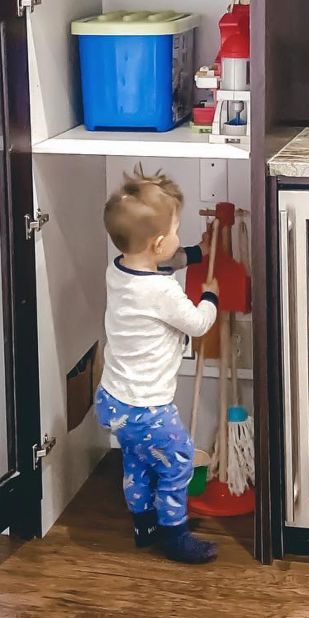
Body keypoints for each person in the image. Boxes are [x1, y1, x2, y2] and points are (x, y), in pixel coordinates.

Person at [96, 166, 219, 563]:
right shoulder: (162, 291)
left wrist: (195, 254)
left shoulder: (118, 269)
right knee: (178, 460)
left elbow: (160, 261)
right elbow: (198, 323)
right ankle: (174, 534)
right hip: (149, 408)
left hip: (113, 401)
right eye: (177, 231)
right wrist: (211, 296)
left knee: (137, 460)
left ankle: (144, 524)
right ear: (160, 241)